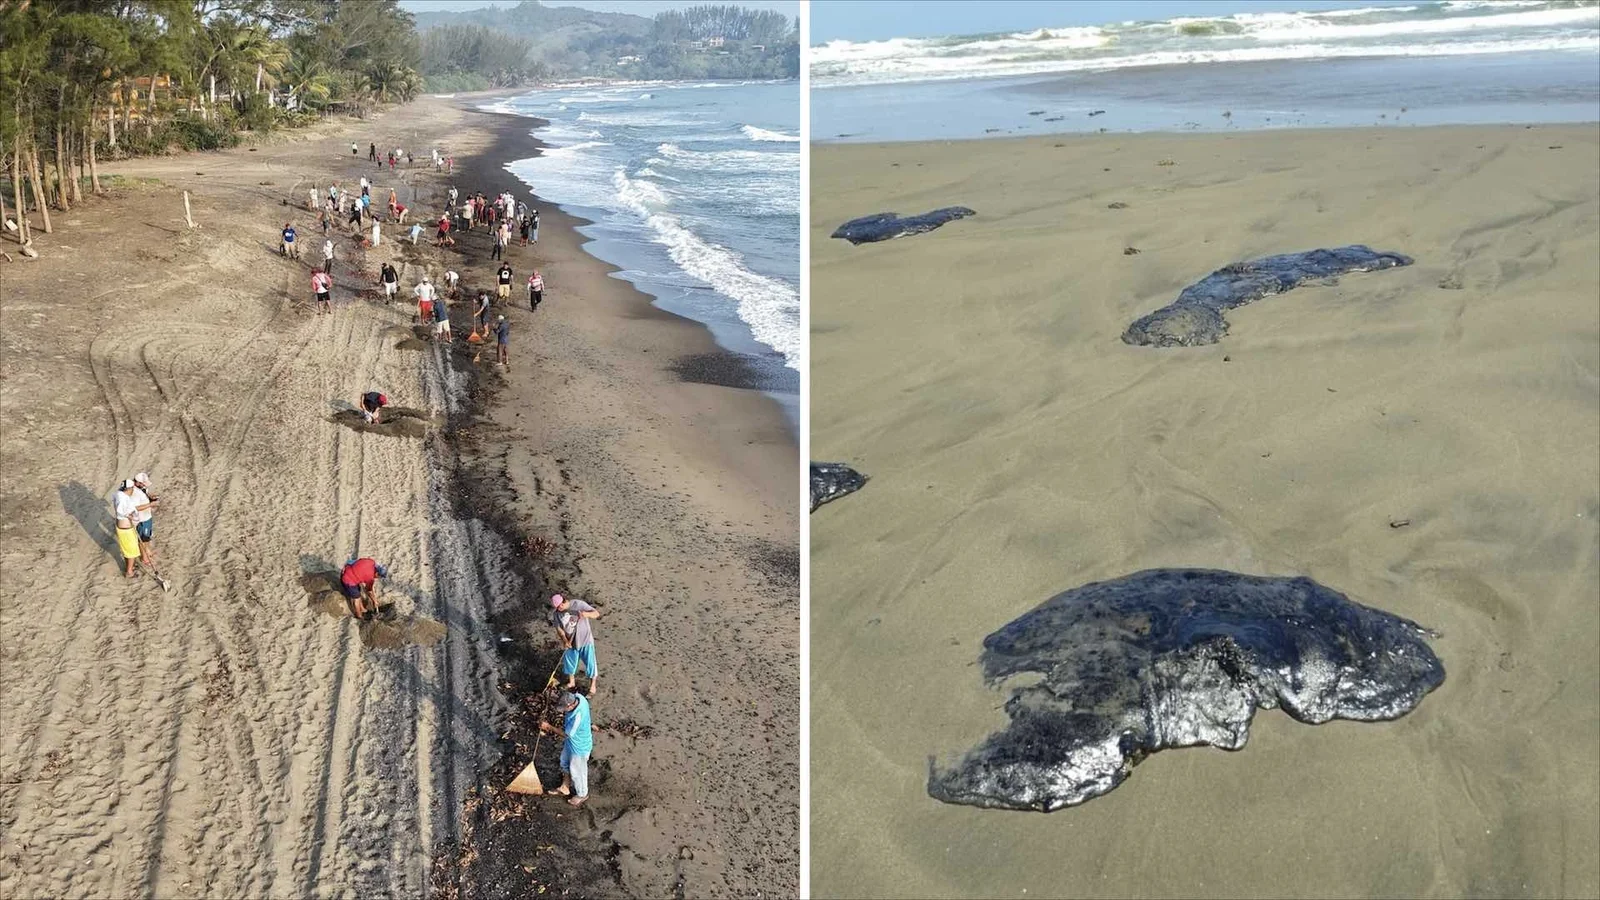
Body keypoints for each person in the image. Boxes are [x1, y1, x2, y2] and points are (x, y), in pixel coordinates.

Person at [537, 691, 592, 807]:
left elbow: (567, 734)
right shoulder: (578, 697)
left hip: (579, 747)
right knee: (564, 762)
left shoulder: (578, 716)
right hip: (571, 742)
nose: (563, 711)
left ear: (570, 705)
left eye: (564, 709)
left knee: (578, 773)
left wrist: (549, 727)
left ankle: (582, 794)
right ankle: (565, 786)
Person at [549, 593, 600, 694]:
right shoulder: (557, 614)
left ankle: (593, 686)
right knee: (569, 663)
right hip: (571, 643)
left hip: (585, 640)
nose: (558, 609)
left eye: (559, 607)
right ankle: (571, 682)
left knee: (590, 663)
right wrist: (564, 640)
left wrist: (586, 614)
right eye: (556, 608)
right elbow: (559, 629)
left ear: (563, 602)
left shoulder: (578, 604)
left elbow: (596, 614)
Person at [130, 472, 159, 564]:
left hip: (147, 517)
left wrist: (150, 497)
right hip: (142, 519)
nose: (144, 485)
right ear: (137, 482)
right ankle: (144, 558)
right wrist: (150, 504)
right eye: (143, 483)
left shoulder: (141, 488)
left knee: (147, 537)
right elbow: (135, 508)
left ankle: (147, 552)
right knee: (143, 539)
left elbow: (145, 493)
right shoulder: (134, 493)